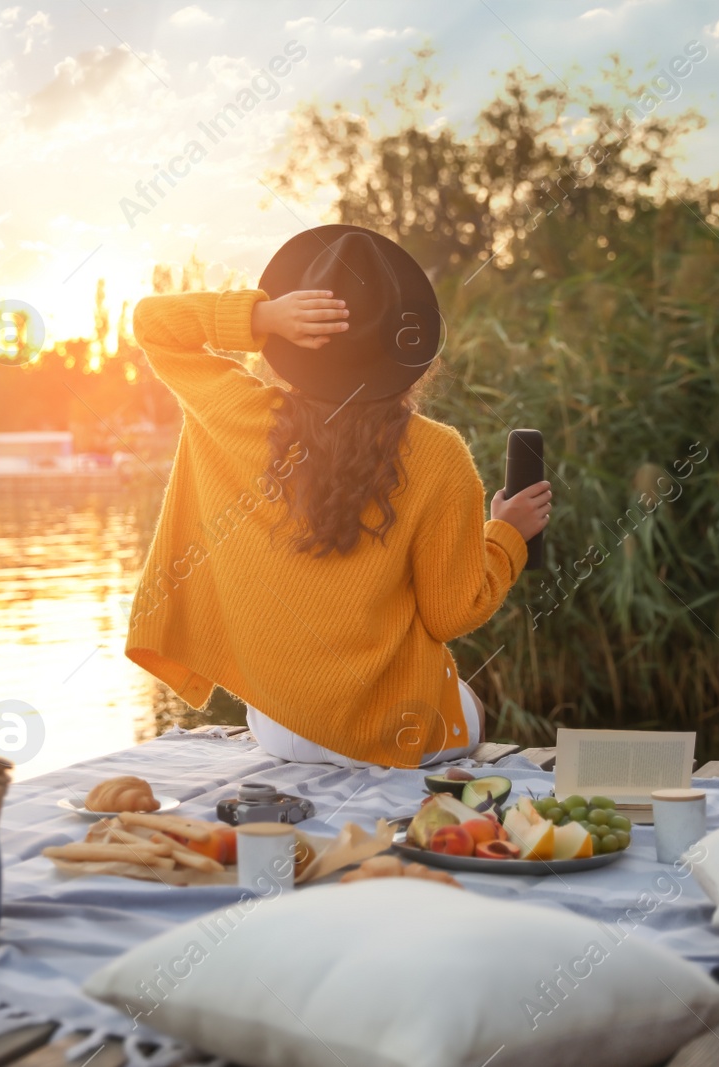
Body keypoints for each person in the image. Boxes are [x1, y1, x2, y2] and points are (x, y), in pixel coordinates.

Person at [125, 225, 552, 769]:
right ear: (403, 345)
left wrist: (261, 318)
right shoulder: (439, 454)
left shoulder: (234, 411)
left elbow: (153, 324)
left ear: (296, 342)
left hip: (280, 728)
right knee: (471, 708)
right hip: (395, 735)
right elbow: (452, 613)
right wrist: (509, 534)